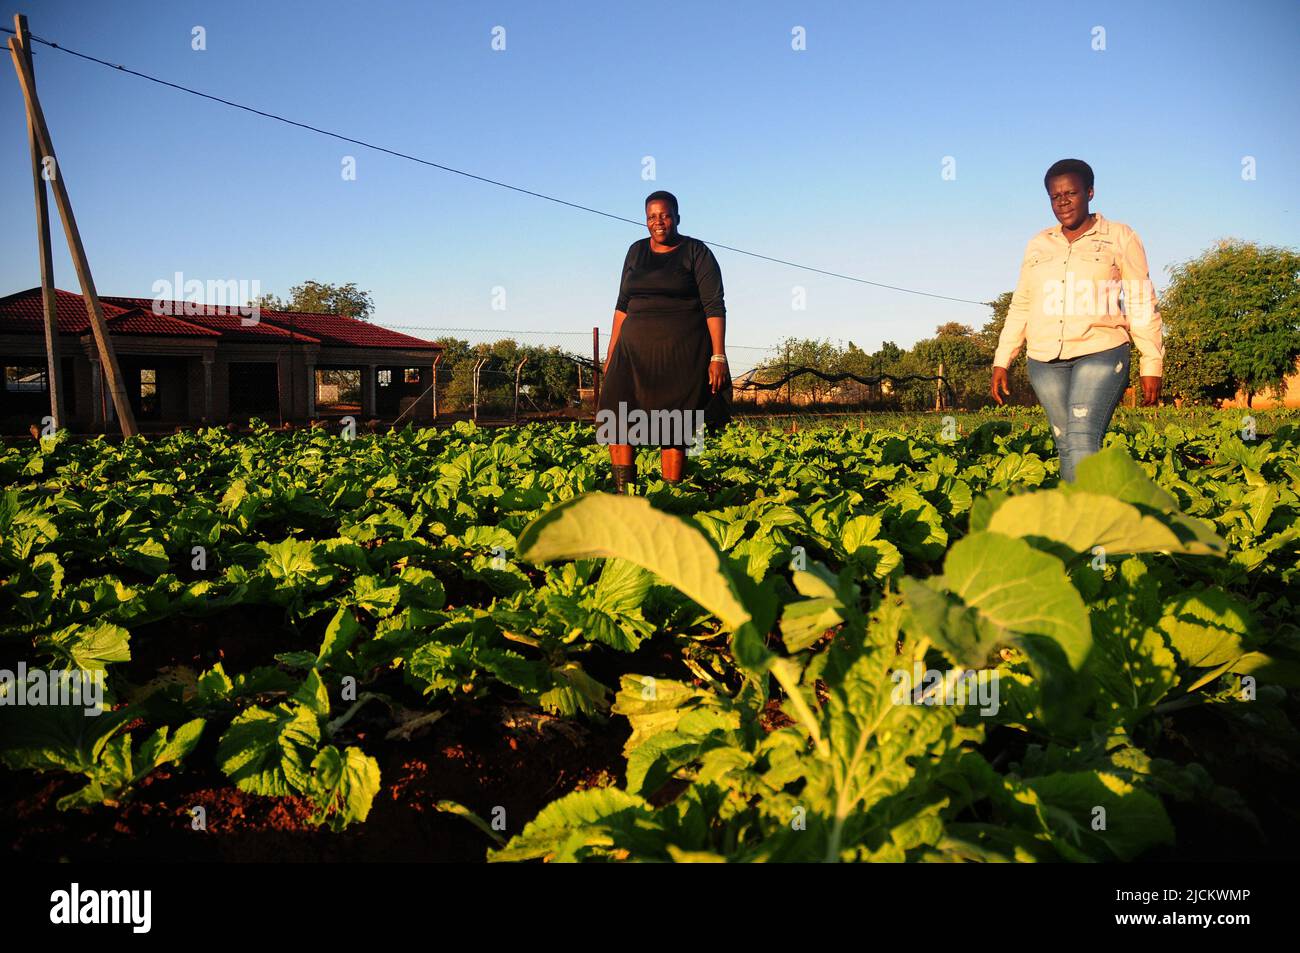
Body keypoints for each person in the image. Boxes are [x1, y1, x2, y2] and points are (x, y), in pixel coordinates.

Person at [991, 159, 1163, 482]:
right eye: (1055, 196)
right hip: (1045, 360)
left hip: (1101, 351)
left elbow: (1141, 300)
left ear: (1090, 192)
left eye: (1071, 193)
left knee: (1083, 439)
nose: (1063, 202)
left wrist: (1151, 363)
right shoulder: (1038, 245)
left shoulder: (1120, 237)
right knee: (1066, 443)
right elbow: (1022, 304)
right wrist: (1003, 359)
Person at [597, 191, 730, 492]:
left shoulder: (696, 252)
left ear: (677, 217)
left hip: (681, 355)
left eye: (665, 215)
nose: (659, 222)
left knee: (672, 426)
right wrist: (611, 351)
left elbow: (714, 305)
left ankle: (672, 498)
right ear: (646, 221)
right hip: (632, 353)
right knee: (618, 420)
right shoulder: (635, 252)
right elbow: (622, 305)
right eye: (652, 217)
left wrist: (718, 356)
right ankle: (625, 497)